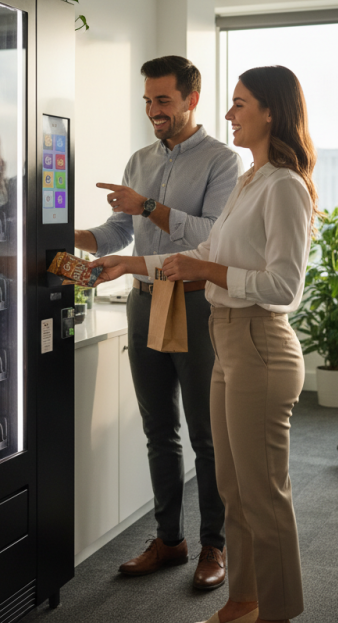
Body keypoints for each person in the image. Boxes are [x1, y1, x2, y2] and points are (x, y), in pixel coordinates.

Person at [93, 65, 318, 623]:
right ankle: (242, 602)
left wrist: (209, 272)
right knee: (234, 489)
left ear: (271, 111)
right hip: (228, 339)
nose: (228, 114)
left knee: (263, 493)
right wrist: (129, 264)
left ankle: (277, 612)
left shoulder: (285, 186)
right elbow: (202, 253)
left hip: (260, 342)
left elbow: (284, 288)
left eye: (240, 104)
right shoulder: (251, 180)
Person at [75, 55, 243, 590]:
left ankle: (215, 545)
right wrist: (62, 234)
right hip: (144, 300)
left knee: (207, 433)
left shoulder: (224, 161)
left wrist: (148, 205)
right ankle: (169, 540)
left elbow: (211, 235)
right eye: (148, 101)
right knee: (158, 430)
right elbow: (118, 232)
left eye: (163, 100)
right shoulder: (139, 160)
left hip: (195, 303)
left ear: (192, 99)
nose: (153, 111)